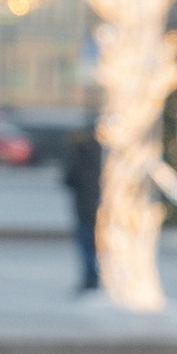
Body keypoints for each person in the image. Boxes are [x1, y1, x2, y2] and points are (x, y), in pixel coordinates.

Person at [61, 119, 103, 293]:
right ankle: (97, 278)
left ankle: (91, 279)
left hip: (85, 209)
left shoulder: (80, 156)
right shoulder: (103, 156)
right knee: (97, 246)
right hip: (101, 208)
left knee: (87, 245)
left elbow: (68, 179)